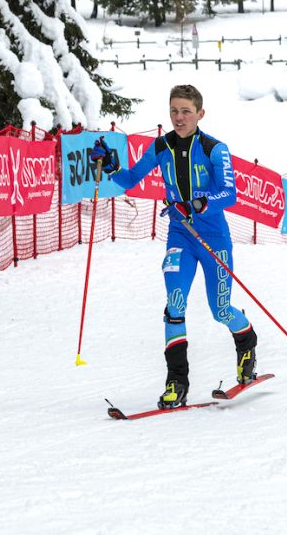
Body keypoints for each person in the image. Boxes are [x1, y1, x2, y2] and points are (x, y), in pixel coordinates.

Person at [89, 84, 257, 409]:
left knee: (221, 310)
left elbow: (230, 194)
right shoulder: (161, 146)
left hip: (213, 239)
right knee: (174, 303)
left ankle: (247, 343)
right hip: (179, 236)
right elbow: (130, 180)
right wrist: (111, 165)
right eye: (174, 111)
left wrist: (196, 204)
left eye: (185, 112)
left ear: (200, 114)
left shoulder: (214, 149)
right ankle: (176, 381)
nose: (178, 118)